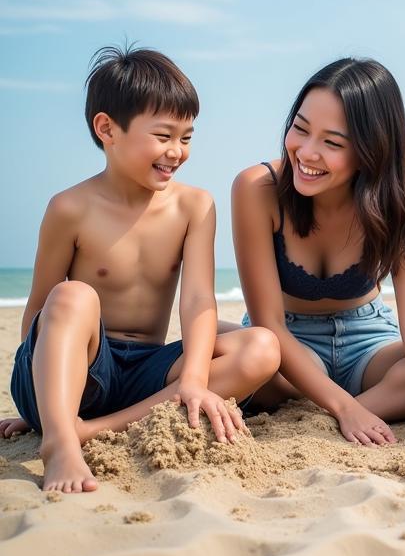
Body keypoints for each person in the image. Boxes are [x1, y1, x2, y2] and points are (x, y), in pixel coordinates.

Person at [1, 46, 281, 493]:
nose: (176, 152)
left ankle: (89, 430)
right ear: (107, 128)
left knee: (263, 346)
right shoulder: (70, 208)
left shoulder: (194, 205)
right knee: (75, 296)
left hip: (146, 375)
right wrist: (44, 394)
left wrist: (192, 379)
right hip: (87, 363)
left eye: (187, 138)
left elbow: (196, 300)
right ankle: (59, 440)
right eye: (164, 136)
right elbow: (40, 311)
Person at [232, 57, 405, 448]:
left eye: (332, 143)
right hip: (287, 345)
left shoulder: (398, 206)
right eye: (300, 129)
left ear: (372, 150)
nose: (307, 153)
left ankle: (331, 409)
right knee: (237, 349)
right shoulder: (257, 189)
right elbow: (270, 323)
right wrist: (346, 410)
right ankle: (345, 408)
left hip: (368, 340)